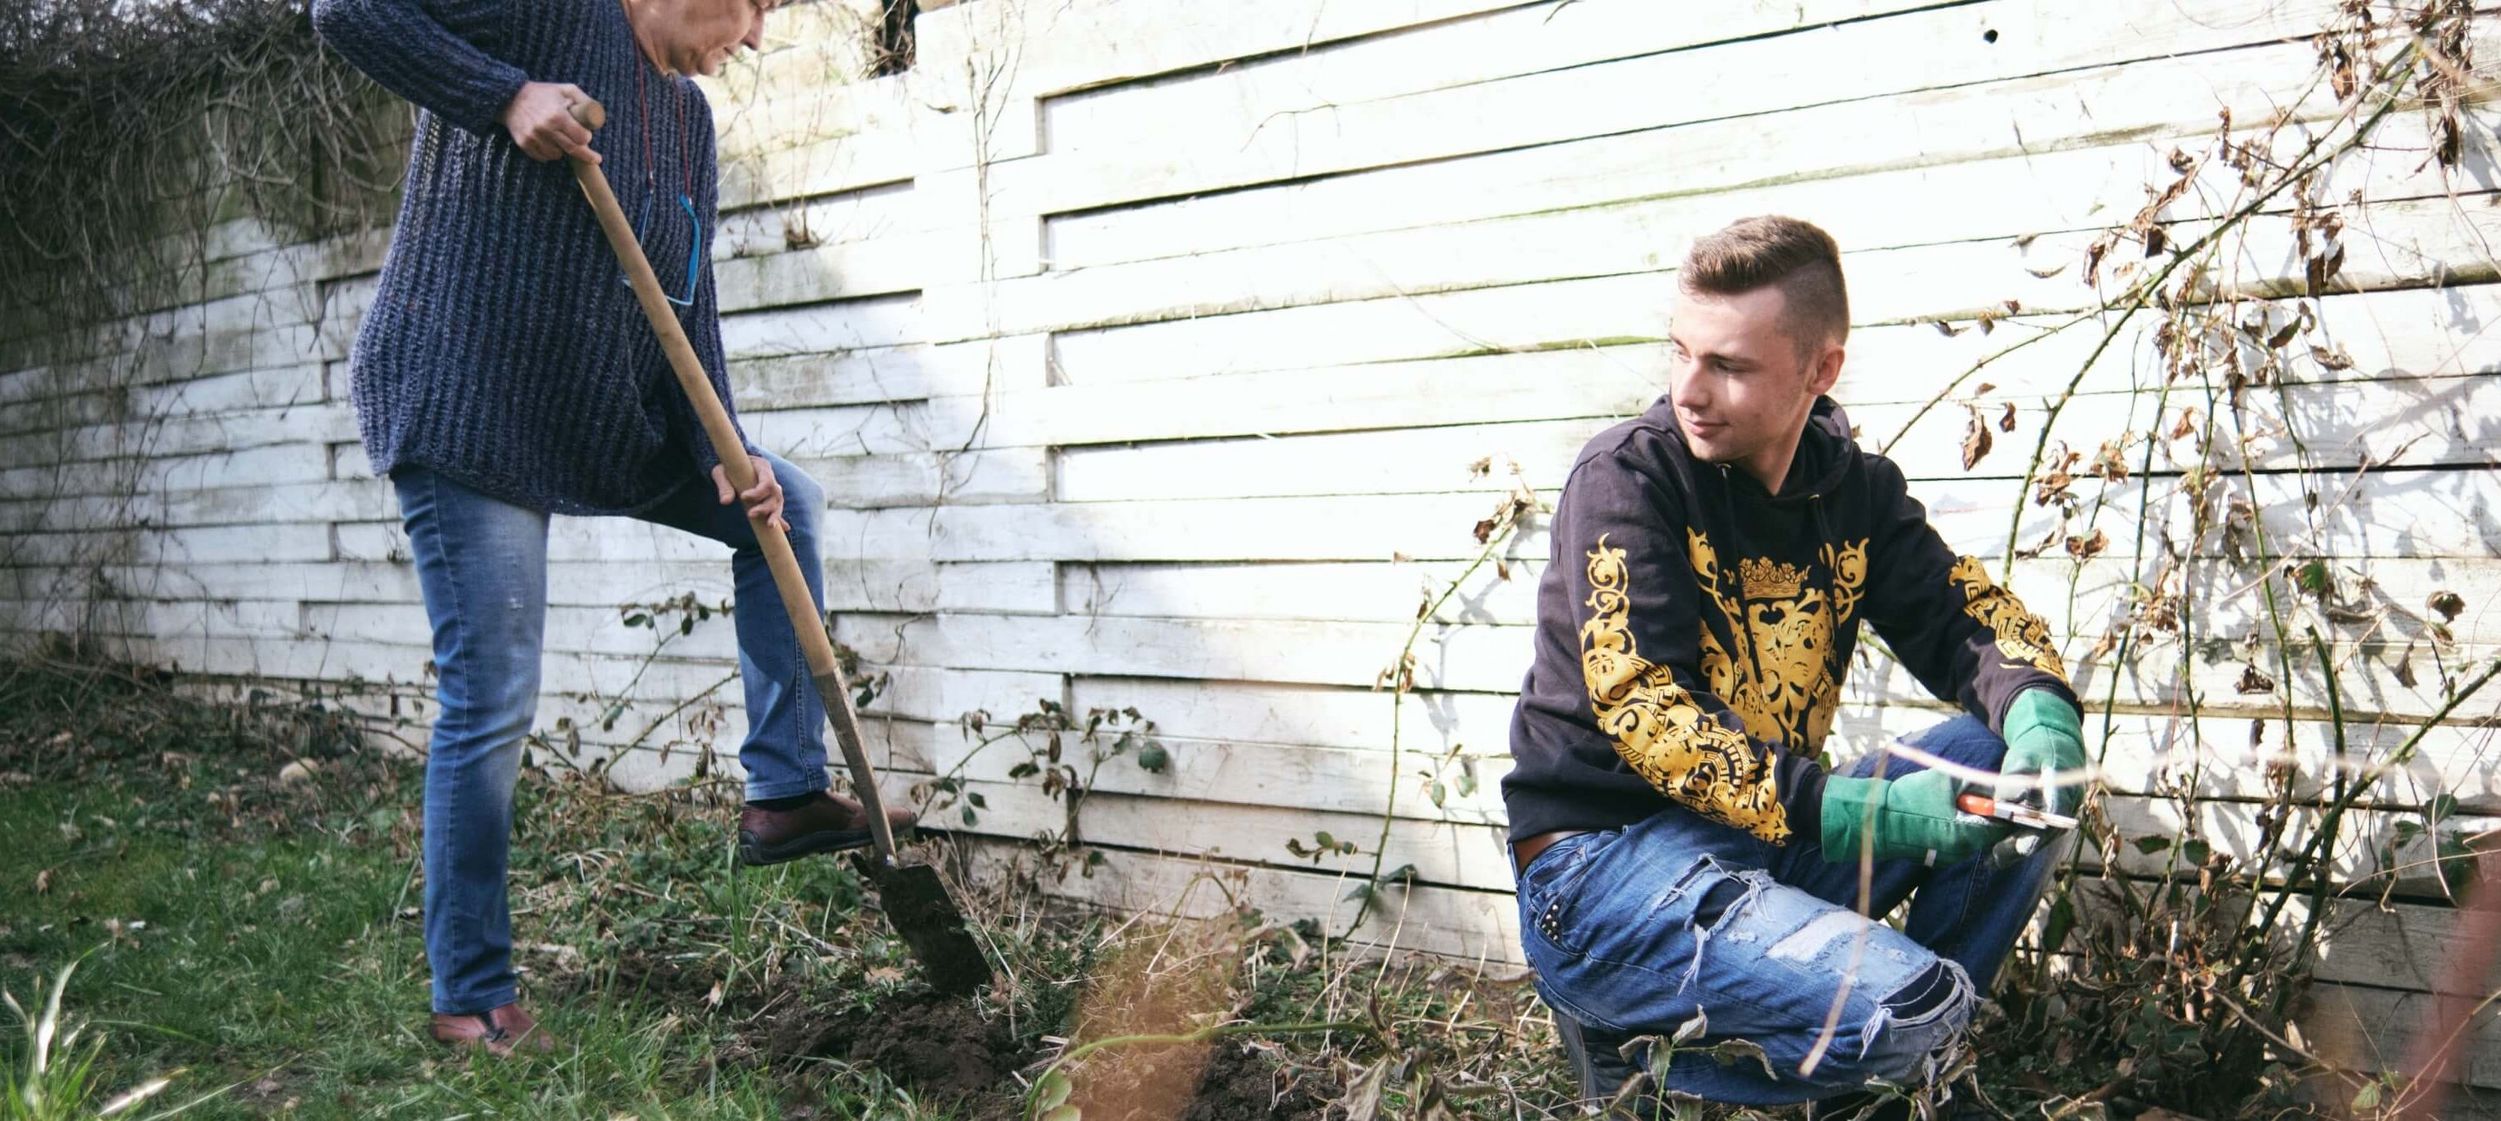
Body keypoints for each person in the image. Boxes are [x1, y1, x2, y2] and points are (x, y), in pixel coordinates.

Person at [310, 0, 915, 1057]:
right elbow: (346, 9)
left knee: (789, 504)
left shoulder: (686, 121)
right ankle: (472, 994)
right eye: (760, 4)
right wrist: (504, 96)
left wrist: (724, 451)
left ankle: (782, 791)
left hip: (598, 415)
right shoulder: (549, 14)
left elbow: (687, 302)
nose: (760, 36)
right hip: (470, 403)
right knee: (492, 695)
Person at [1500, 216, 2087, 1113]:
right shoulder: (1628, 477)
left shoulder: (1854, 491)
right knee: (1905, 1005)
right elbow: (1652, 712)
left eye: (1729, 366)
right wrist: (1864, 812)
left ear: (1821, 370)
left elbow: (1964, 618)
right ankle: (1645, 1060)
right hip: (1601, 873)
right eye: (1680, 353)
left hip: (1757, 845)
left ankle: (1910, 1057)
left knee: (1998, 756)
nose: (1689, 389)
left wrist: (2043, 712)